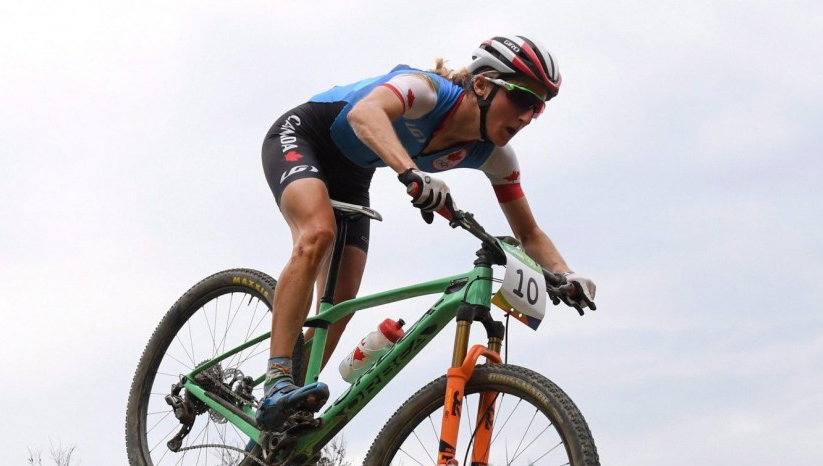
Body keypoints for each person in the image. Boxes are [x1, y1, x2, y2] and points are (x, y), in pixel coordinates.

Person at [256, 35, 597, 428]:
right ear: (482, 85)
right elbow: (364, 116)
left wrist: (566, 274)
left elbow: (530, 232)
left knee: (340, 304)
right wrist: (410, 171)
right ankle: (277, 381)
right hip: (303, 137)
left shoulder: (496, 156)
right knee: (318, 234)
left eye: (537, 108)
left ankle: (285, 421)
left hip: (353, 176)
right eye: (521, 99)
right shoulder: (427, 91)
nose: (526, 116)